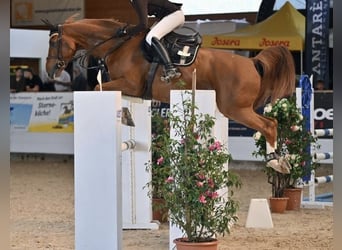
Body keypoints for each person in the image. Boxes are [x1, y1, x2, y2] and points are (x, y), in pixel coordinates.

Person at [121, 0, 185, 83]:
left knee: (151, 37)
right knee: (147, 36)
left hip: (175, 16)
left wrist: (126, 32)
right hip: (167, 17)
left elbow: (143, 24)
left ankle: (170, 68)